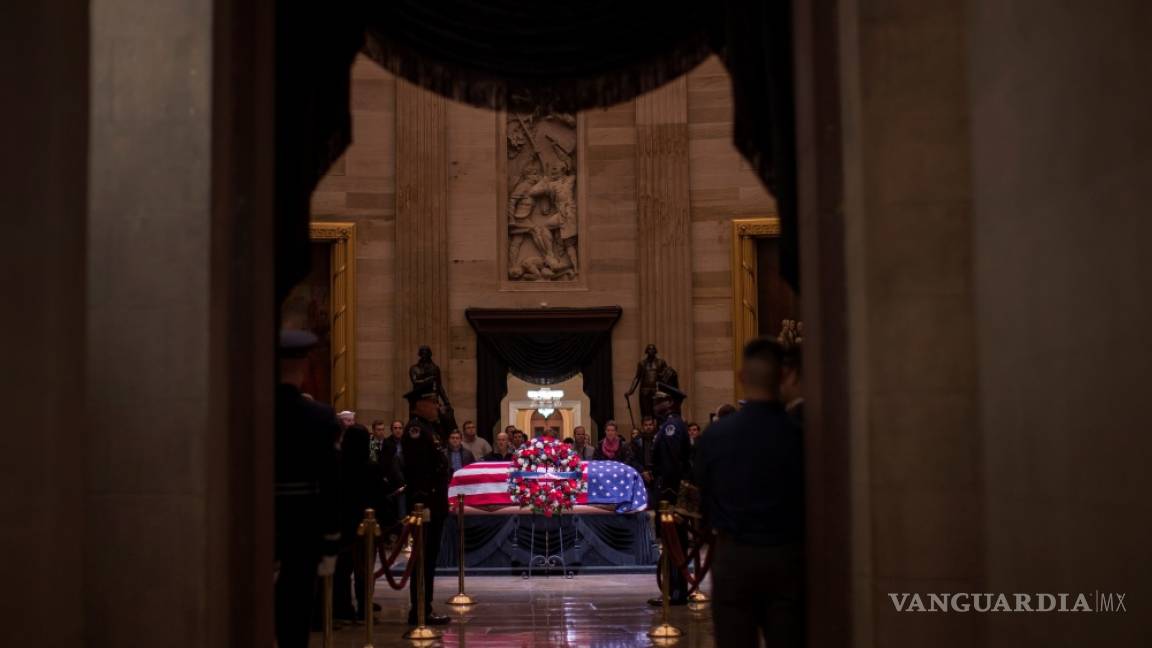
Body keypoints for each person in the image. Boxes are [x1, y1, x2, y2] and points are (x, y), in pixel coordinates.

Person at [695, 338, 804, 648]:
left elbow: (702, 496)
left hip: (734, 557)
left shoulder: (715, 436)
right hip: (787, 557)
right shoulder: (801, 434)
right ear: (784, 377)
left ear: (742, 377)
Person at [274, 330, 340, 648]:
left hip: (253, 525)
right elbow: (329, 481)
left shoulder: (247, 409)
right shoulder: (320, 416)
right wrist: (330, 538)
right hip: (303, 525)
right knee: (295, 615)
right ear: (303, 368)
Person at [399, 387, 452, 626]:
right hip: (426, 506)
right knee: (423, 559)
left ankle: (424, 606)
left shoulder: (431, 429)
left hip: (434, 503)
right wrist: (423, 504)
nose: (436, 406)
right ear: (419, 404)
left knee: (429, 559)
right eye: (432, 402)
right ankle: (420, 609)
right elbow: (418, 471)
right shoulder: (416, 431)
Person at [647, 384, 692, 607]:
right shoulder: (668, 426)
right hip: (667, 491)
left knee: (674, 543)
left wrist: (669, 493)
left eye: (659, 401)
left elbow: (673, 464)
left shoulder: (671, 428)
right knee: (671, 543)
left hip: (670, 495)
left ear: (670, 403)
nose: (655, 405)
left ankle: (676, 591)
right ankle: (674, 589)